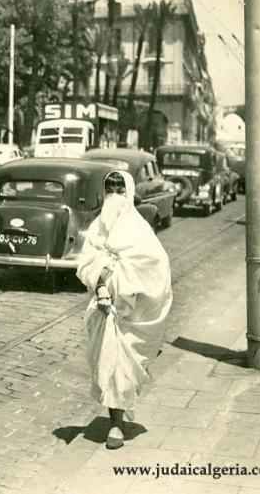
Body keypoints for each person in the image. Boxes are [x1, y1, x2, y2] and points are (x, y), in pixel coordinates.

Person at [76, 170, 172, 450]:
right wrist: (100, 283)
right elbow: (85, 262)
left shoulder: (139, 229)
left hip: (132, 312)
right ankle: (115, 419)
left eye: (120, 190)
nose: (114, 196)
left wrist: (113, 276)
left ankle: (117, 424)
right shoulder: (97, 227)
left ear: (128, 193)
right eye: (110, 189)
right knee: (108, 363)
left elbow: (154, 264)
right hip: (104, 310)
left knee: (125, 367)